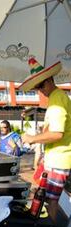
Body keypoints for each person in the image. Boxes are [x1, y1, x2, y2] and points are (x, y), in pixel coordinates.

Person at [21, 58, 71, 201]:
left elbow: (56, 134)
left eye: (42, 85)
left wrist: (31, 138)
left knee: (51, 202)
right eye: (37, 87)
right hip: (60, 158)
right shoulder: (60, 97)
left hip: (59, 160)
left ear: (50, 80)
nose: (41, 91)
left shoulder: (56, 99)